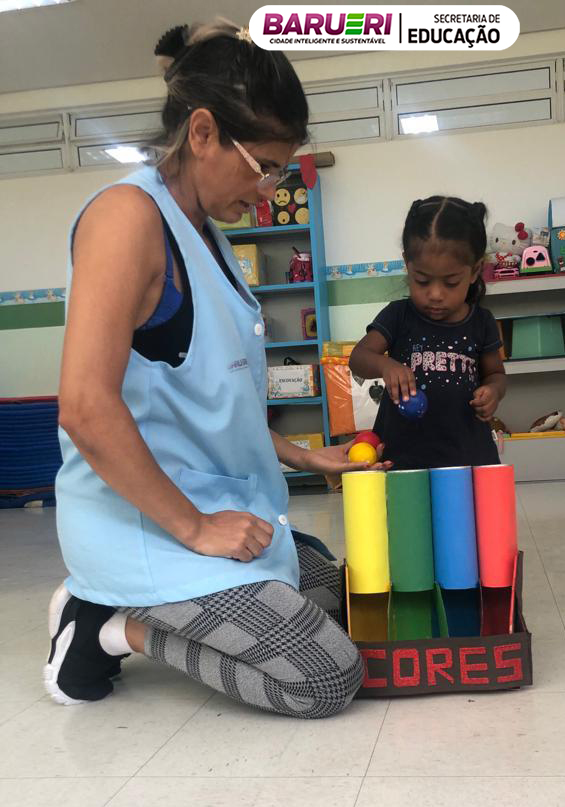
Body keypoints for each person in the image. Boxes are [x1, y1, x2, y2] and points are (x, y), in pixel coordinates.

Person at [46, 19, 381, 718]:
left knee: (336, 592)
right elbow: (84, 407)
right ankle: (105, 628)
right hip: (148, 521)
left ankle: (131, 607)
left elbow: (207, 396)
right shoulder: (126, 218)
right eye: (265, 167)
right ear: (202, 132)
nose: (270, 189)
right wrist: (196, 528)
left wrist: (302, 456)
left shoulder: (204, 233)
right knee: (325, 676)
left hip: (211, 501)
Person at [348, 196, 507, 470]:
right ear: (407, 264)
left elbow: (496, 374)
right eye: (422, 280)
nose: (435, 294)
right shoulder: (398, 315)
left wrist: (493, 391)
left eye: (451, 282)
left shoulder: (482, 322)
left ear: (475, 271)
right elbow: (358, 357)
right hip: (403, 460)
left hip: (467, 459)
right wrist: (386, 365)